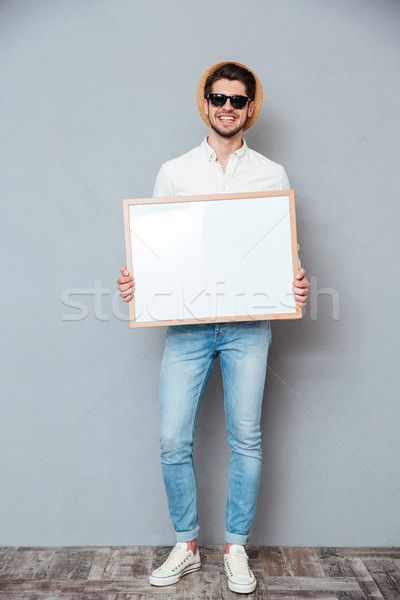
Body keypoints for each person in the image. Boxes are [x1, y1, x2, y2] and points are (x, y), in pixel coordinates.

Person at [117, 61, 310, 594]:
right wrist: (138, 283)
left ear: (251, 108)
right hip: (189, 325)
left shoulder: (271, 173)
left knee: (245, 437)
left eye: (238, 100)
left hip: (250, 323)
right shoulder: (175, 171)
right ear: (205, 104)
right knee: (172, 436)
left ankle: (235, 548)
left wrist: (296, 283)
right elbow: (156, 247)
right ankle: (185, 543)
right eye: (219, 98)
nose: (228, 108)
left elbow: (285, 252)